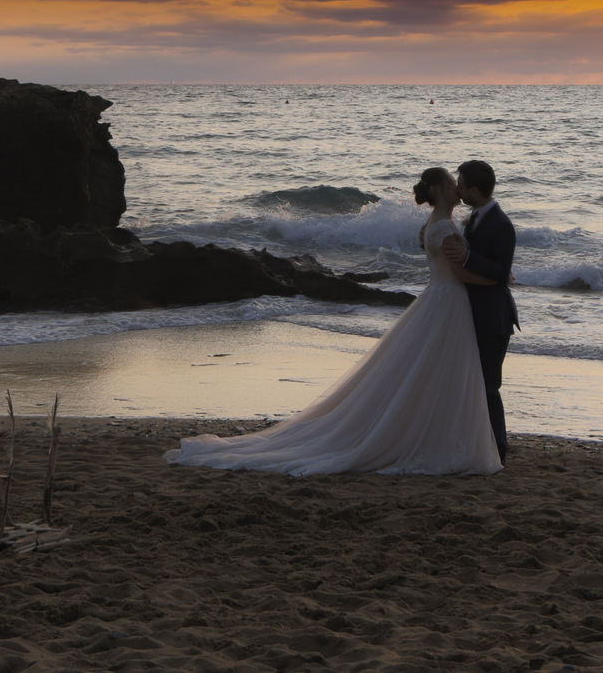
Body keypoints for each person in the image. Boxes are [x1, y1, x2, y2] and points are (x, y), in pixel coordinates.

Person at [164, 167, 501, 476]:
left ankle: (431, 433)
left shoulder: (435, 224)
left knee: (430, 373)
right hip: (448, 302)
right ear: (439, 189)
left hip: (440, 301)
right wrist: (502, 277)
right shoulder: (442, 227)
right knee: (439, 372)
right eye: (452, 183)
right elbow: (461, 273)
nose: (457, 189)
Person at [440, 159, 520, 464]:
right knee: (473, 384)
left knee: (488, 386)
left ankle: (498, 449)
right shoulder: (475, 218)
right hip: (473, 314)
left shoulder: (501, 224)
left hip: (493, 318)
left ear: (474, 190)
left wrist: (467, 256)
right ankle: (479, 443)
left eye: (461, 184)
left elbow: (501, 273)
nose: (458, 189)